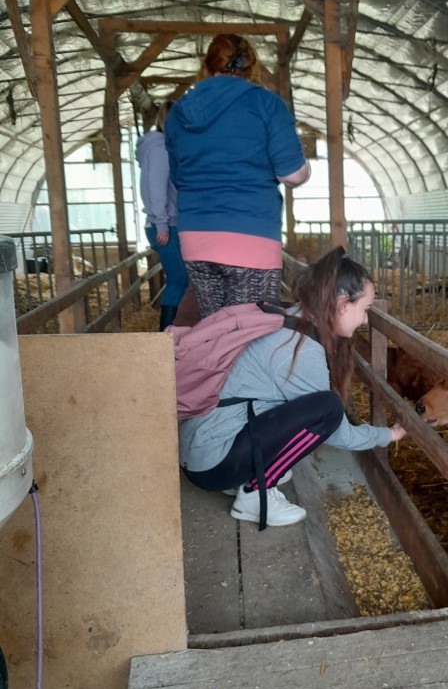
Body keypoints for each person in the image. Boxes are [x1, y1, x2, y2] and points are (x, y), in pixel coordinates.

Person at [179, 247, 407, 527]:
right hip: (211, 463)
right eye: (365, 309)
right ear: (343, 304)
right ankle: (254, 496)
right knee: (328, 408)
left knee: (319, 408)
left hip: (199, 447)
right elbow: (337, 433)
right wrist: (387, 435)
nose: (365, 320)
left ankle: (248, 476)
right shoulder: (301, 349)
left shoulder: (287, 317)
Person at [165, 33, 310, 319]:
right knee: (250, 334)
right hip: (250, 234)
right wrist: (305, 170)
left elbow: (178, 177)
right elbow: (292, 174)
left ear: (206, 66)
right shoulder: (266, 104)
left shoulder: (178, 111)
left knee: (216, 328)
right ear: (251, 67)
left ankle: (213, 365)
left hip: (196, 236)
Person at [135, 100, 190, 330]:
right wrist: (161, 223)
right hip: (166, 224)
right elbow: (154, 186)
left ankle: (173, 335)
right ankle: (166, 336)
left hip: (172, 222)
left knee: (182, 280)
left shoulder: (166, 147)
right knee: (179, 280)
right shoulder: (158, 146)